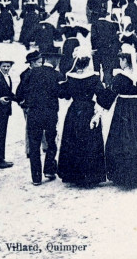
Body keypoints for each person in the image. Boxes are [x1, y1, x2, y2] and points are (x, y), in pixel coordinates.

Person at [97, 46, 137, 188]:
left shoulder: (119, 78)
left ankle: (121, 174)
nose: (120, 62)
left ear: (126, 60)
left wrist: (99, 99)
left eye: (121, 59)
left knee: (121, 140)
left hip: (123, 108)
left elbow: (109, 96)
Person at [57, 47, 108, 186]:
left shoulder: (71, 77)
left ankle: (74, 175)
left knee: (73, 140)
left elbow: (65, 95)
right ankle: (90, 175)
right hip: (88, 110)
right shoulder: (94, 77)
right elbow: (102, 96)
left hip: (74, 110)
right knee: (89, 141)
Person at [16, 52, 62, 186]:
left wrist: (26, 103)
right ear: (53, 60)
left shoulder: (31, 73)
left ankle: (36, 177)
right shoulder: (56, 75)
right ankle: (49, 170)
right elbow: (62, 93)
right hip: (50, 114)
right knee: (51, 142)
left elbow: (19, 93)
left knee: (34, 145)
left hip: (34, 113)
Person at [91, 13, 120, 86]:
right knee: (107, 69)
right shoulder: (111, 24)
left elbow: (93, 37)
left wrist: (94, 48)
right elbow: (114, 38)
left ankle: (97, 86)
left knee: (96, 70)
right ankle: (108, 86)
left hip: (97, 50)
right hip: (108, 50)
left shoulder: (94, 24)